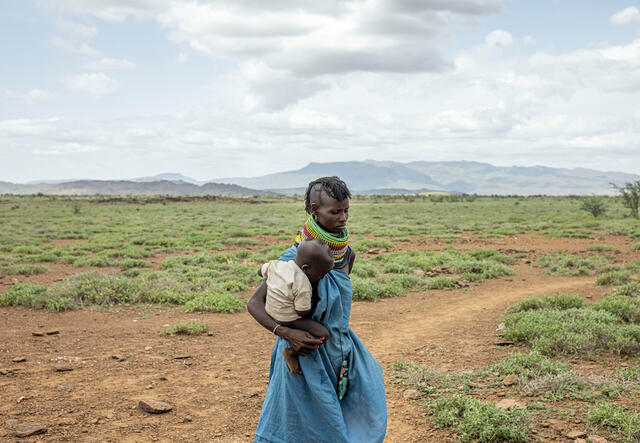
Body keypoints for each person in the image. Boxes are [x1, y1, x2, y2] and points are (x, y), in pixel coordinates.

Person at [247, 176, 387, 443]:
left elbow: (337, 304)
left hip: (338, 351)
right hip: (303, 353)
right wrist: (286, 334)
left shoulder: (347, 256)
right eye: (335, 211)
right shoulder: (294, 258)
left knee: (351, 412)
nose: (343, 217)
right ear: (315, 211)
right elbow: (254, 304)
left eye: (346, 210)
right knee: (299, 426)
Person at [259, 238, 333, 375]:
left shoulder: (278, 265)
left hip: (270, 310)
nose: (322, 278)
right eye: (320, 274)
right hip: (286, 318)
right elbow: (302, 311)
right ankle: (291, 352)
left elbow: (261, 270)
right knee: (323, 334)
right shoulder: (303, 285)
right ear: (306, 269)